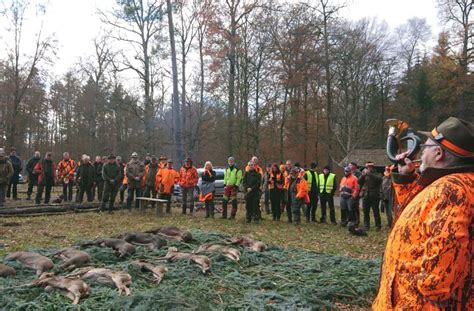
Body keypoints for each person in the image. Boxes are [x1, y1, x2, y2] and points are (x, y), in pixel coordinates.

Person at [373, 117, 473, 310]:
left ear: (438, 153)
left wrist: (417, 292)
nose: (421, 152)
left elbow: (440, 279)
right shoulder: (450, 186)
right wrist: (405, 179)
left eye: (426, 146)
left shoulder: (451, 191)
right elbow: (418, 220)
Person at [358, 161, 383, 231]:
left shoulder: (377, 174)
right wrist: (362, 175)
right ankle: (366, 225)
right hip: (366, 196)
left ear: (372, 167)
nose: (368, 168)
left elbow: (379, 179)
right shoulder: (364, 175)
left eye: (370, 167)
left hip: (375, 196)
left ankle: (378, 226)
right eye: (367, 167)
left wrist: (370, 174)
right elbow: (359, 182)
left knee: (376, 212)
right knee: (366, 212)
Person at [349, 162, 362, 226]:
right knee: (350, 207)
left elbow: (359, 183)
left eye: (350, 165)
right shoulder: (349, 172)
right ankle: (351, 219)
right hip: (349, 192)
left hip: (356, 192)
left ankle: (357, 220)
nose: (349, 166)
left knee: (355, 206)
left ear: (354, 166)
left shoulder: (358, 173)